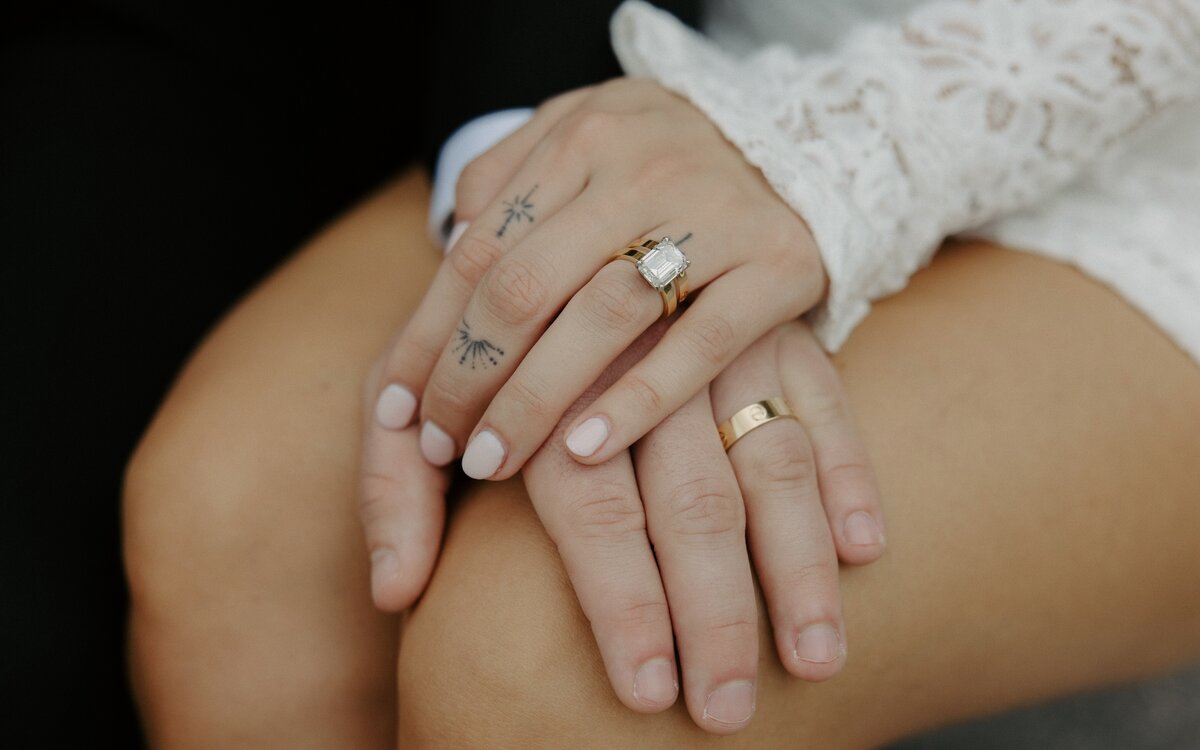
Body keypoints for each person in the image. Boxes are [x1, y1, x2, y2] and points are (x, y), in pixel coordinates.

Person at [122, 0, 1200, 747]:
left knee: (548, 668)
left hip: (1141, 118)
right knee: (239, 524)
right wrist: (634, 224)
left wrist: (817, 164)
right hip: (710, 55)